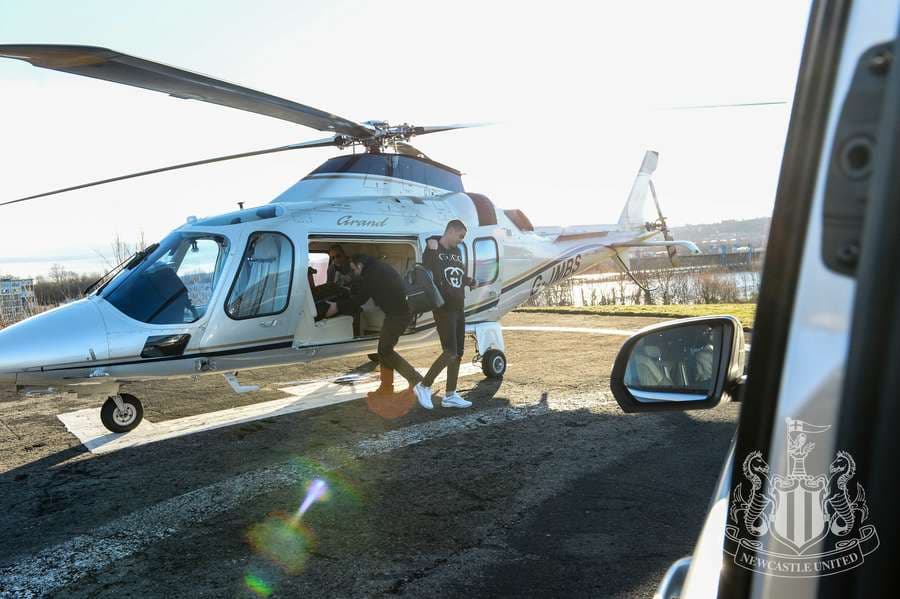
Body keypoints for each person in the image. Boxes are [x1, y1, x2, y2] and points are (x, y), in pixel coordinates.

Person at [325, 254, 423, 395]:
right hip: (398, 313)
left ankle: (417, 381)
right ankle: (387, 387)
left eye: (354, 269)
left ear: (360, 265)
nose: (354, 272)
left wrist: (337, 307)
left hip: (398, 316)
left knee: (385, 351)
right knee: (384, 351)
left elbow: (360, 299)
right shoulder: (378, 268)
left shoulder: (372, 273)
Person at [414, 220, 474, 409]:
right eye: (460, 236)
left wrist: (468, 281)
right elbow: (426, 273)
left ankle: (450, 395)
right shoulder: (433, 247)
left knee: (458, 353)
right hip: (443, 307)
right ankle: (424, 386)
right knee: (450, 351)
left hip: (458, 306)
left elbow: (455, 274)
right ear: (450, 231)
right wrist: (432, 247)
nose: (461, 240)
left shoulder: (456, 252)